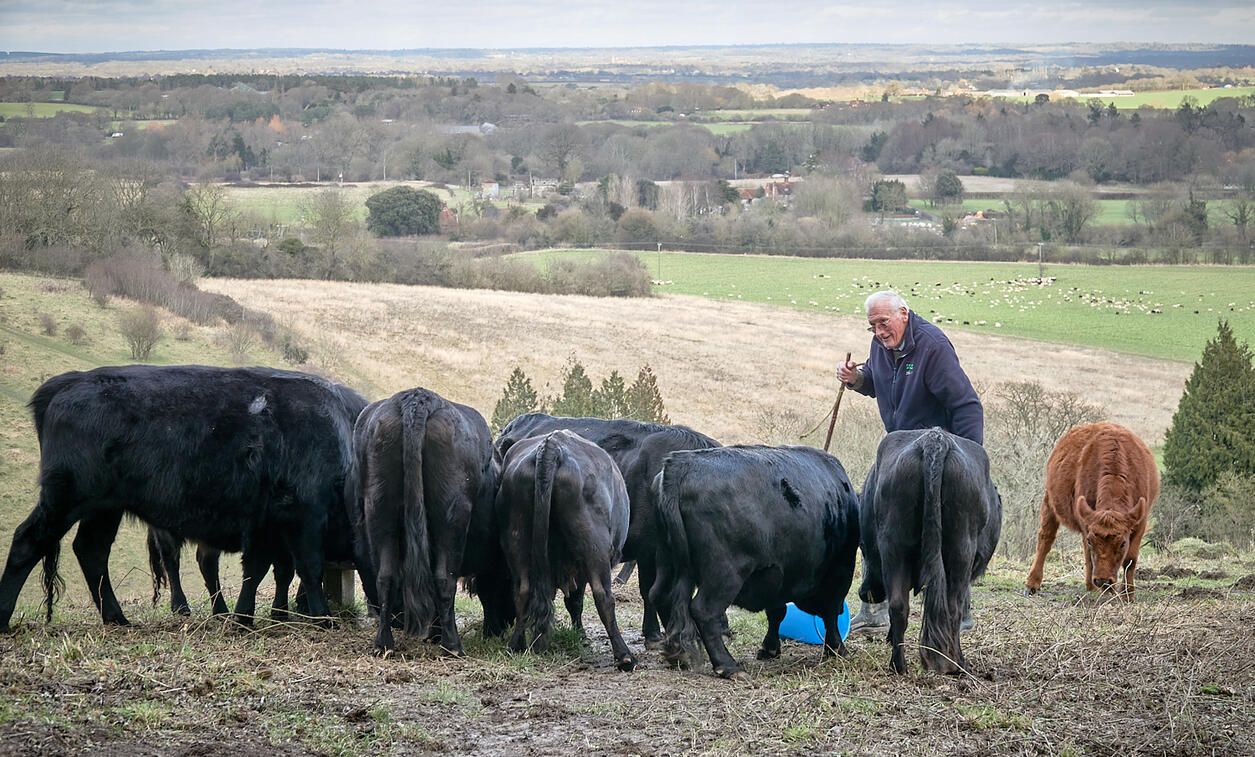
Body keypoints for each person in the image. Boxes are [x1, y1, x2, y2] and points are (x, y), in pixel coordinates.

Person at [838, 290, 984, 634]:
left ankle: (958, 610)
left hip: (939, 451)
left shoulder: (932, 346)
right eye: (872, 325)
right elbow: (877, 382)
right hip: (897, 450)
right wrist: (856, 380)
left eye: (883, 322)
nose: (878, 332)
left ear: (903, 314)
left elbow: (966, 405)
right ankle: (874, 607)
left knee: (951, 533)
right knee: (870, 520)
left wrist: (971, 462)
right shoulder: (881, 345)